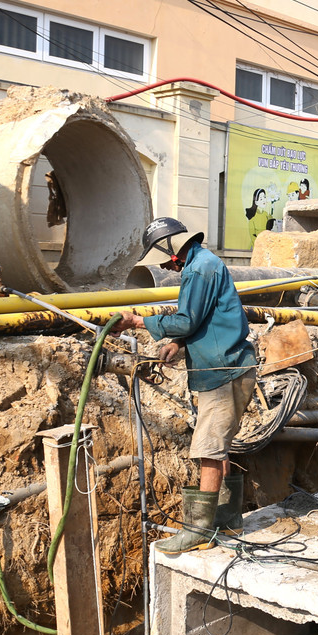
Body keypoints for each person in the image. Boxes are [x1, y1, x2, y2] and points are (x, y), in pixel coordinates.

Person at [112, 217, 258, 553]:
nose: (164, 265)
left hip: (225, 373)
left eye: (163, 258)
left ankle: (199, 529)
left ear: (172, 250)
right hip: (228, 367)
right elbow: (203, 321)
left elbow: (187, 320)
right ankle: (229, 517)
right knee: (219, 444)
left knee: (208, 447)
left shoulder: (199, 270)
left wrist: (137, 320)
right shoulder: (203, 263)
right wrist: (178, 345)